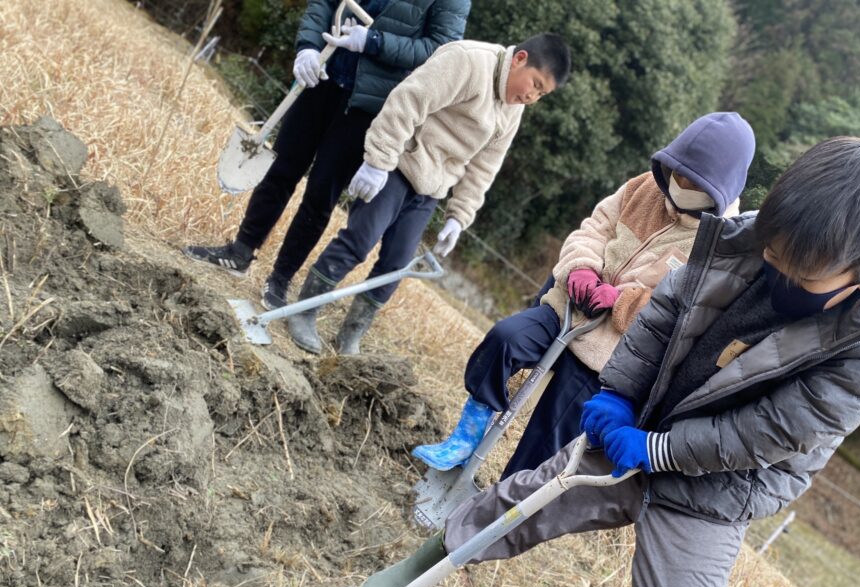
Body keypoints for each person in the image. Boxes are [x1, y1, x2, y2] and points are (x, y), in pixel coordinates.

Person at [393, 137, 860, 587]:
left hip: (717, 489)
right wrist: (619, 393)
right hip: (641, 426)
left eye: (803, 275)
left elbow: (765, 433)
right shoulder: (741, 242)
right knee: (523, 499)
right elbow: (663, 315)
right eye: (774, 256)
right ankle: (406, 576)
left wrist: (660, 450)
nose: (778, 273)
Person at [412, 112, 756, 475]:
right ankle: (467, 436)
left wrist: (622, 301)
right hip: (568, 306)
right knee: (504, 340)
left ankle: (498, 511)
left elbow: (679, 312)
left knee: (548, 438)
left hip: (607, 351)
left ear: (718, 188)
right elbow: (595, 228)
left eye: (692, 181)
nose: (679, 184)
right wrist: (582, 268)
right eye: (677, 172)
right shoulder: (644, 188)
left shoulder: (715, 247)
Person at [287, 33, 572, 355]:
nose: (532, 97)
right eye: (534, 84)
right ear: (520, 59)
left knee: (396, 264)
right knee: (359, 241)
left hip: (431, 187)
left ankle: (351, 334)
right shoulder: (468, 60)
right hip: (399, 164)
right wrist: (378, 161)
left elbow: (484, 166)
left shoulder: (512, 109)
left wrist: (459, 216)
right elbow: (408, 101)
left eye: (542, 94)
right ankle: (303, 311)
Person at [184, 0, 471, 311]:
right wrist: (307, 46)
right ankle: (240, 252)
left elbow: (440, 50)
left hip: (367, 104)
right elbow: (324, 2)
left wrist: (373, 42)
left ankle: (280, 278)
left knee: (321, 194)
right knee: (280, 169)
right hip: (322, 74)